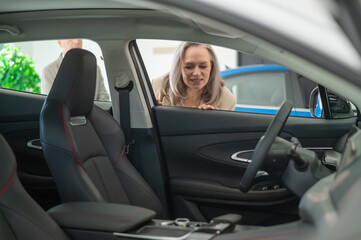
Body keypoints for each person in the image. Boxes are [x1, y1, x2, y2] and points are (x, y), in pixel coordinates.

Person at [152, 42, 236, 110]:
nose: (196, 73)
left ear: (212, 67)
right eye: (189, 67)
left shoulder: (226, 99)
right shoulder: (157, 86)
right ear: (179, 68)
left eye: (203, 66)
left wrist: (213, 121)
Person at [41, 39, 109, 101]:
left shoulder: (95, 68)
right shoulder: (49, 71)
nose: (77, 41)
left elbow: (104, 99)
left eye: (79, 37)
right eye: (70, 38)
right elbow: (51, 105)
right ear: (59, 43)